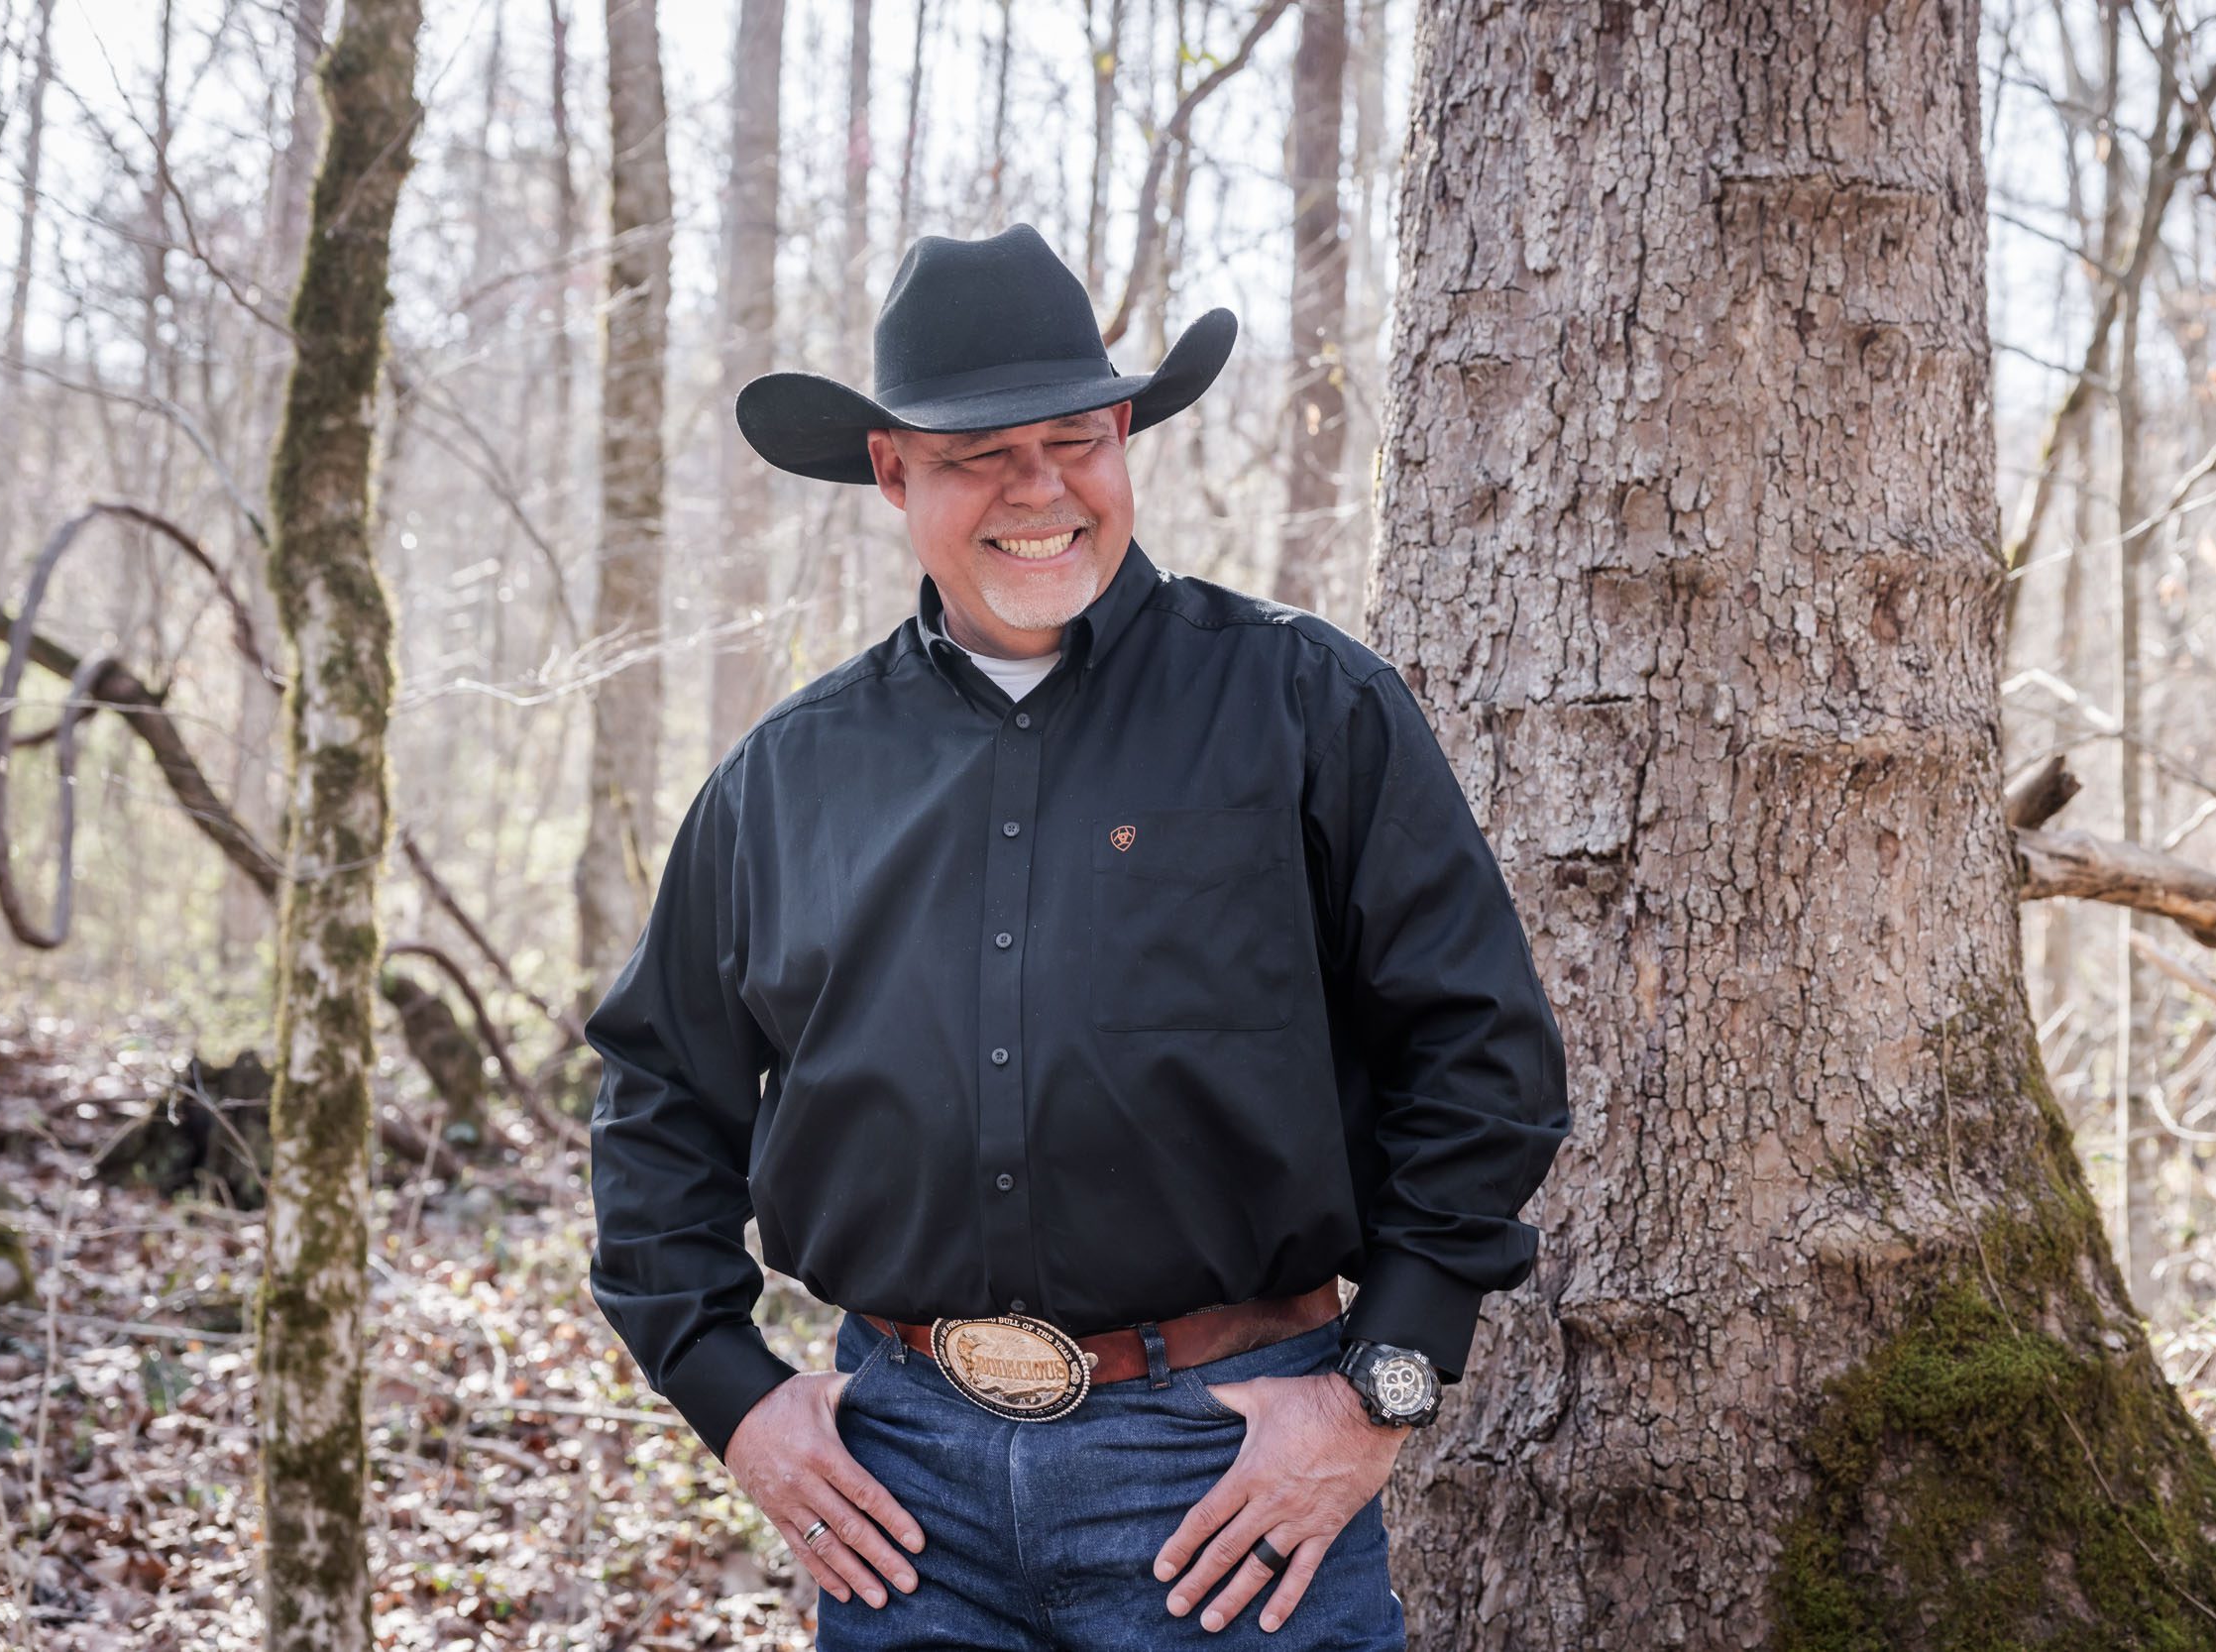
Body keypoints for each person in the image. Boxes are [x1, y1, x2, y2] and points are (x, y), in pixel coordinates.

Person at [585, 223, 1568, 1650]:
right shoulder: (785, 781)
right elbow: (657, 1101)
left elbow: (1484, 1058)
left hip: (1229, 1481)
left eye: (1075, 439)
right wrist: (731, 1398)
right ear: (892, 470)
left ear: (1124, 439)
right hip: (898, 1494)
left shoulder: (1308, 708)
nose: (1037, 491)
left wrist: (1380, 1396)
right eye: (978, 452)